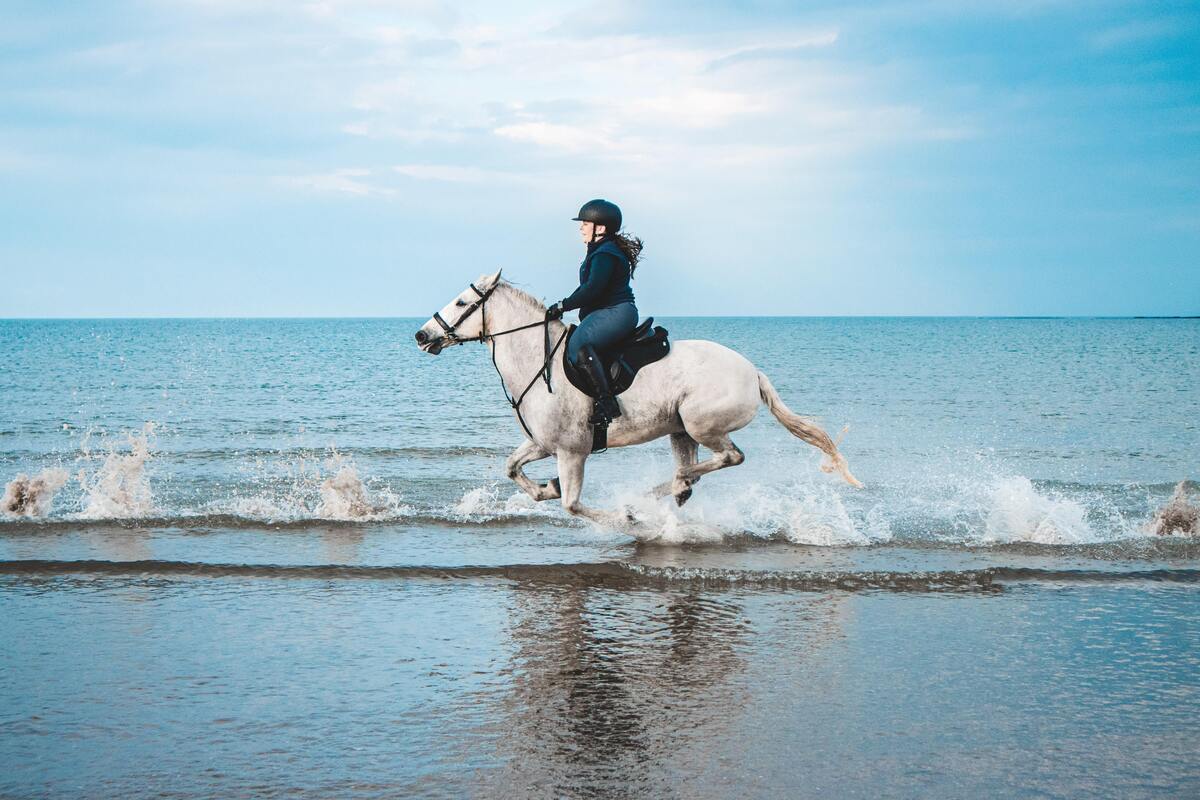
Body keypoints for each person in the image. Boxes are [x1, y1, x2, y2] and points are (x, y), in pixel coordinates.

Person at [546, 199, 643, 425]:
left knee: (577, 345)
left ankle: (607, 403)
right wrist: (565, 304)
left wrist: (563, 306)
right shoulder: (600, 250)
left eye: (585, 223)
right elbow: (586, 289)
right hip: (610, 312)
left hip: (617, 311)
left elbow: (592, 289)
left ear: (600, 228)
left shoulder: (605, 253)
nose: (581, 228)